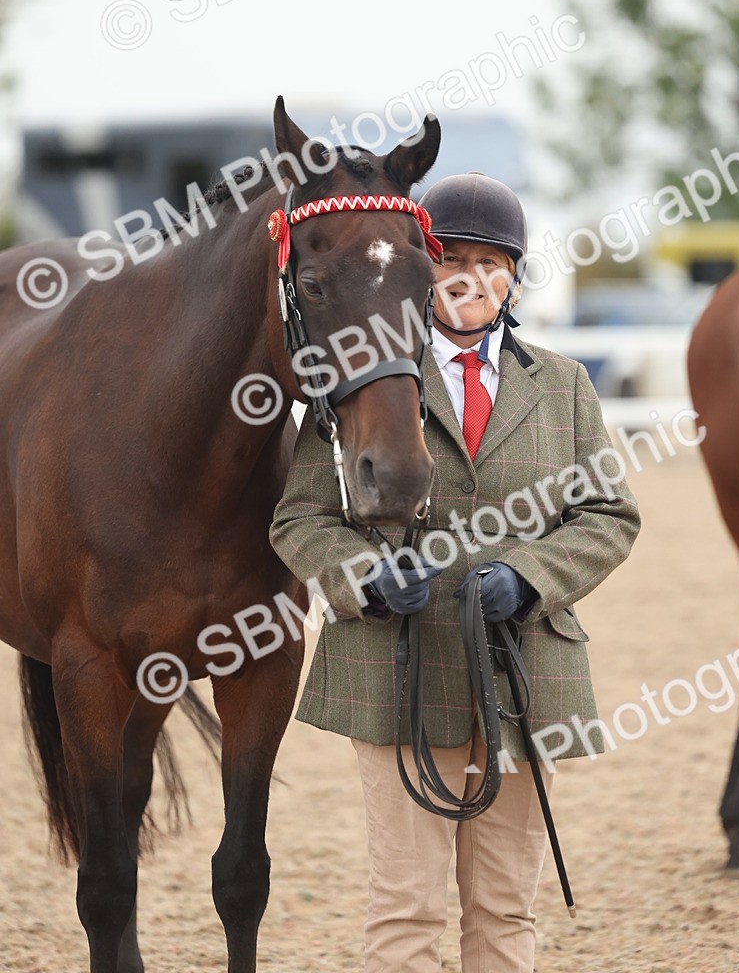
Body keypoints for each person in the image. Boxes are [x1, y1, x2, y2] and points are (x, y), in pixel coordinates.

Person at [269, 172, 641, 973]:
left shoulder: (565, 386)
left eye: (491, 261)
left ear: (513, 277)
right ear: (419, 270)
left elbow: (610, 515)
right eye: (450, 259)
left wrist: (532, 574)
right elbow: (298, 518)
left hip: (522, 669)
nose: (470, 276)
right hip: (398, 672)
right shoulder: (355, 377)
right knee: (406, 912)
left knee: (506, 907)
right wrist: (363, 577)